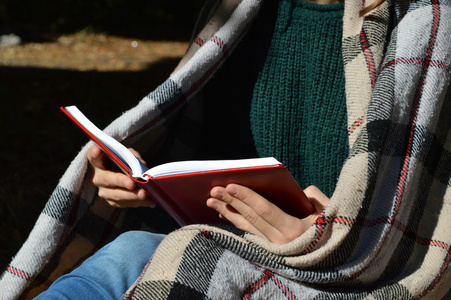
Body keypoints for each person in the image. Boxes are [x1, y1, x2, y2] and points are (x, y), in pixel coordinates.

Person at [2, 0, 450, 298]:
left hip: (336, 279)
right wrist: (142, 181)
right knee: (128, 254)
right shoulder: (240, 12)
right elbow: (211, 153)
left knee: (140, 257)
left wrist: (337, 240)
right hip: (219, 245)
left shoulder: (428, 30)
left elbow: (428, 231)